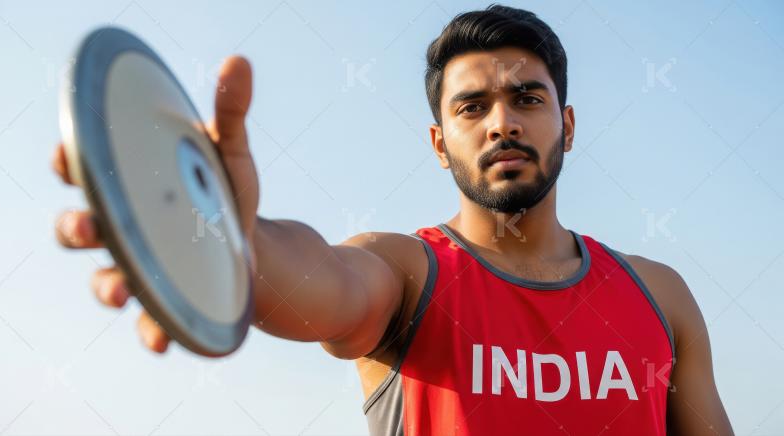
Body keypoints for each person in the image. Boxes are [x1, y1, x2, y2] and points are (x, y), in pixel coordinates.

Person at [52, 5, 733, 435]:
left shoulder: (658, 297)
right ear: (440, 144)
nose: (502, 122)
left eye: (528, 97)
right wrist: (227, 236)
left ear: (568, 125)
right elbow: (316, 280)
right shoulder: (411, 274)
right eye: (471, 107)